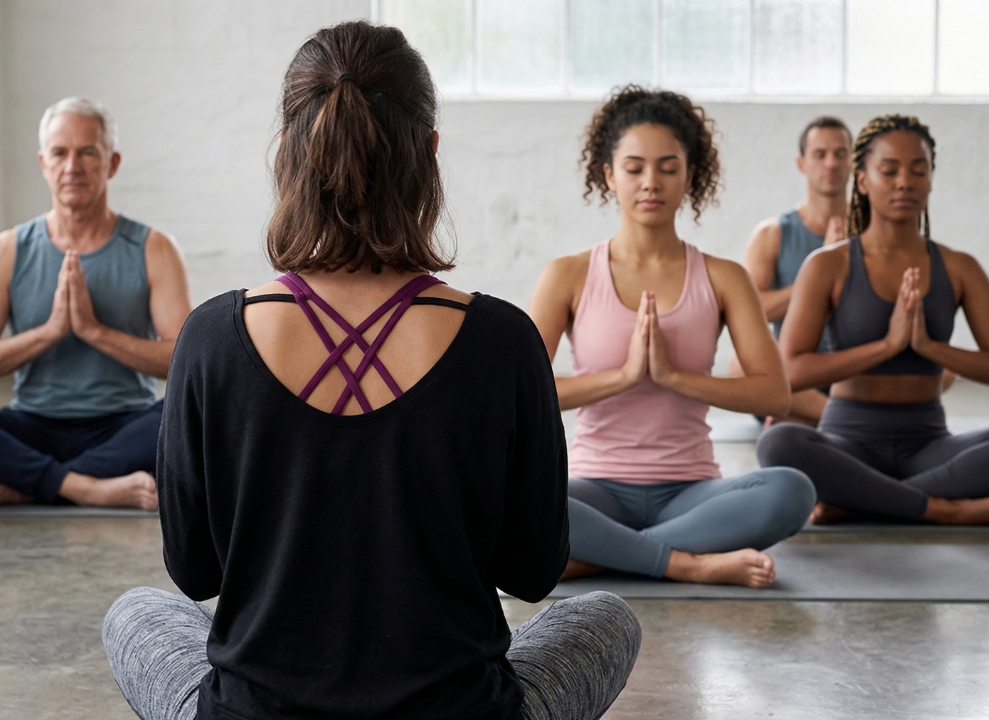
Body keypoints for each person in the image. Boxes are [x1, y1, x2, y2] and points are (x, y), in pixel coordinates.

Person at [102, 22, 640, 720]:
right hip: (458, 710)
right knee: (607, 616)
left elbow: (194, 570)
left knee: (135, 612)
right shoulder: (503, 340)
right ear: (431, 153)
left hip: (257, 711)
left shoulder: (209, 338)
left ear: (286, 153)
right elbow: (533, 572)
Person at [526, 86, 816, 590]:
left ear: (690, 175)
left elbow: (774, 395)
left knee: (793, 490)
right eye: (634, 167)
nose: (650, 182)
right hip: (593, 489)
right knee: (506, 493)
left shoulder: (724, 278)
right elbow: (522, 395)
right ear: (609, 175)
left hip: (692, 493)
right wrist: (623, 377)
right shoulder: (568, 274)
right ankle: (687, 563)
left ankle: (601, 555)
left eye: (667, 167)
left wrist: (673, 377)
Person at [756, 115, 989, 528]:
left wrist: (929, 347)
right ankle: (943, 508)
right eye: (889, 171)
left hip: (929, 445)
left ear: (931, 179)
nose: (905, 182)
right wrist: (886, 346)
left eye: (918, 170)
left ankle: (861, 501)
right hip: (848, 442)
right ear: (862, 181)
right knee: (778, 443)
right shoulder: (828, 265)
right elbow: (791, 372)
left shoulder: (959, 267)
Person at [0, 97, 191, 510]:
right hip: (32, 427)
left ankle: (28, 484)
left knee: (200, 409)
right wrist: (50, 332)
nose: (72, 167)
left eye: (87, 152)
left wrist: (94, 332)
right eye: (59, 153)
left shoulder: (154, 248)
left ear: (112, 163)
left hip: (125, 425)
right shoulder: (6, 251)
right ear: (43, 163)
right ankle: (88, 487)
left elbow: (184, 362)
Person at [739, 116, 851, 426]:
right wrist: (819, 268)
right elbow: (754, 312)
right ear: (802, 163)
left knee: (940, 367)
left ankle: (805, 419)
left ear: (853, 161)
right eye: (820, 154)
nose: (831, 163)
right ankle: (840, 421)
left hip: (854, 370)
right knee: (739, 364)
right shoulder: (772, 233)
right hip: (797, 375)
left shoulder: (874, 232)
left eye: (840, 153)